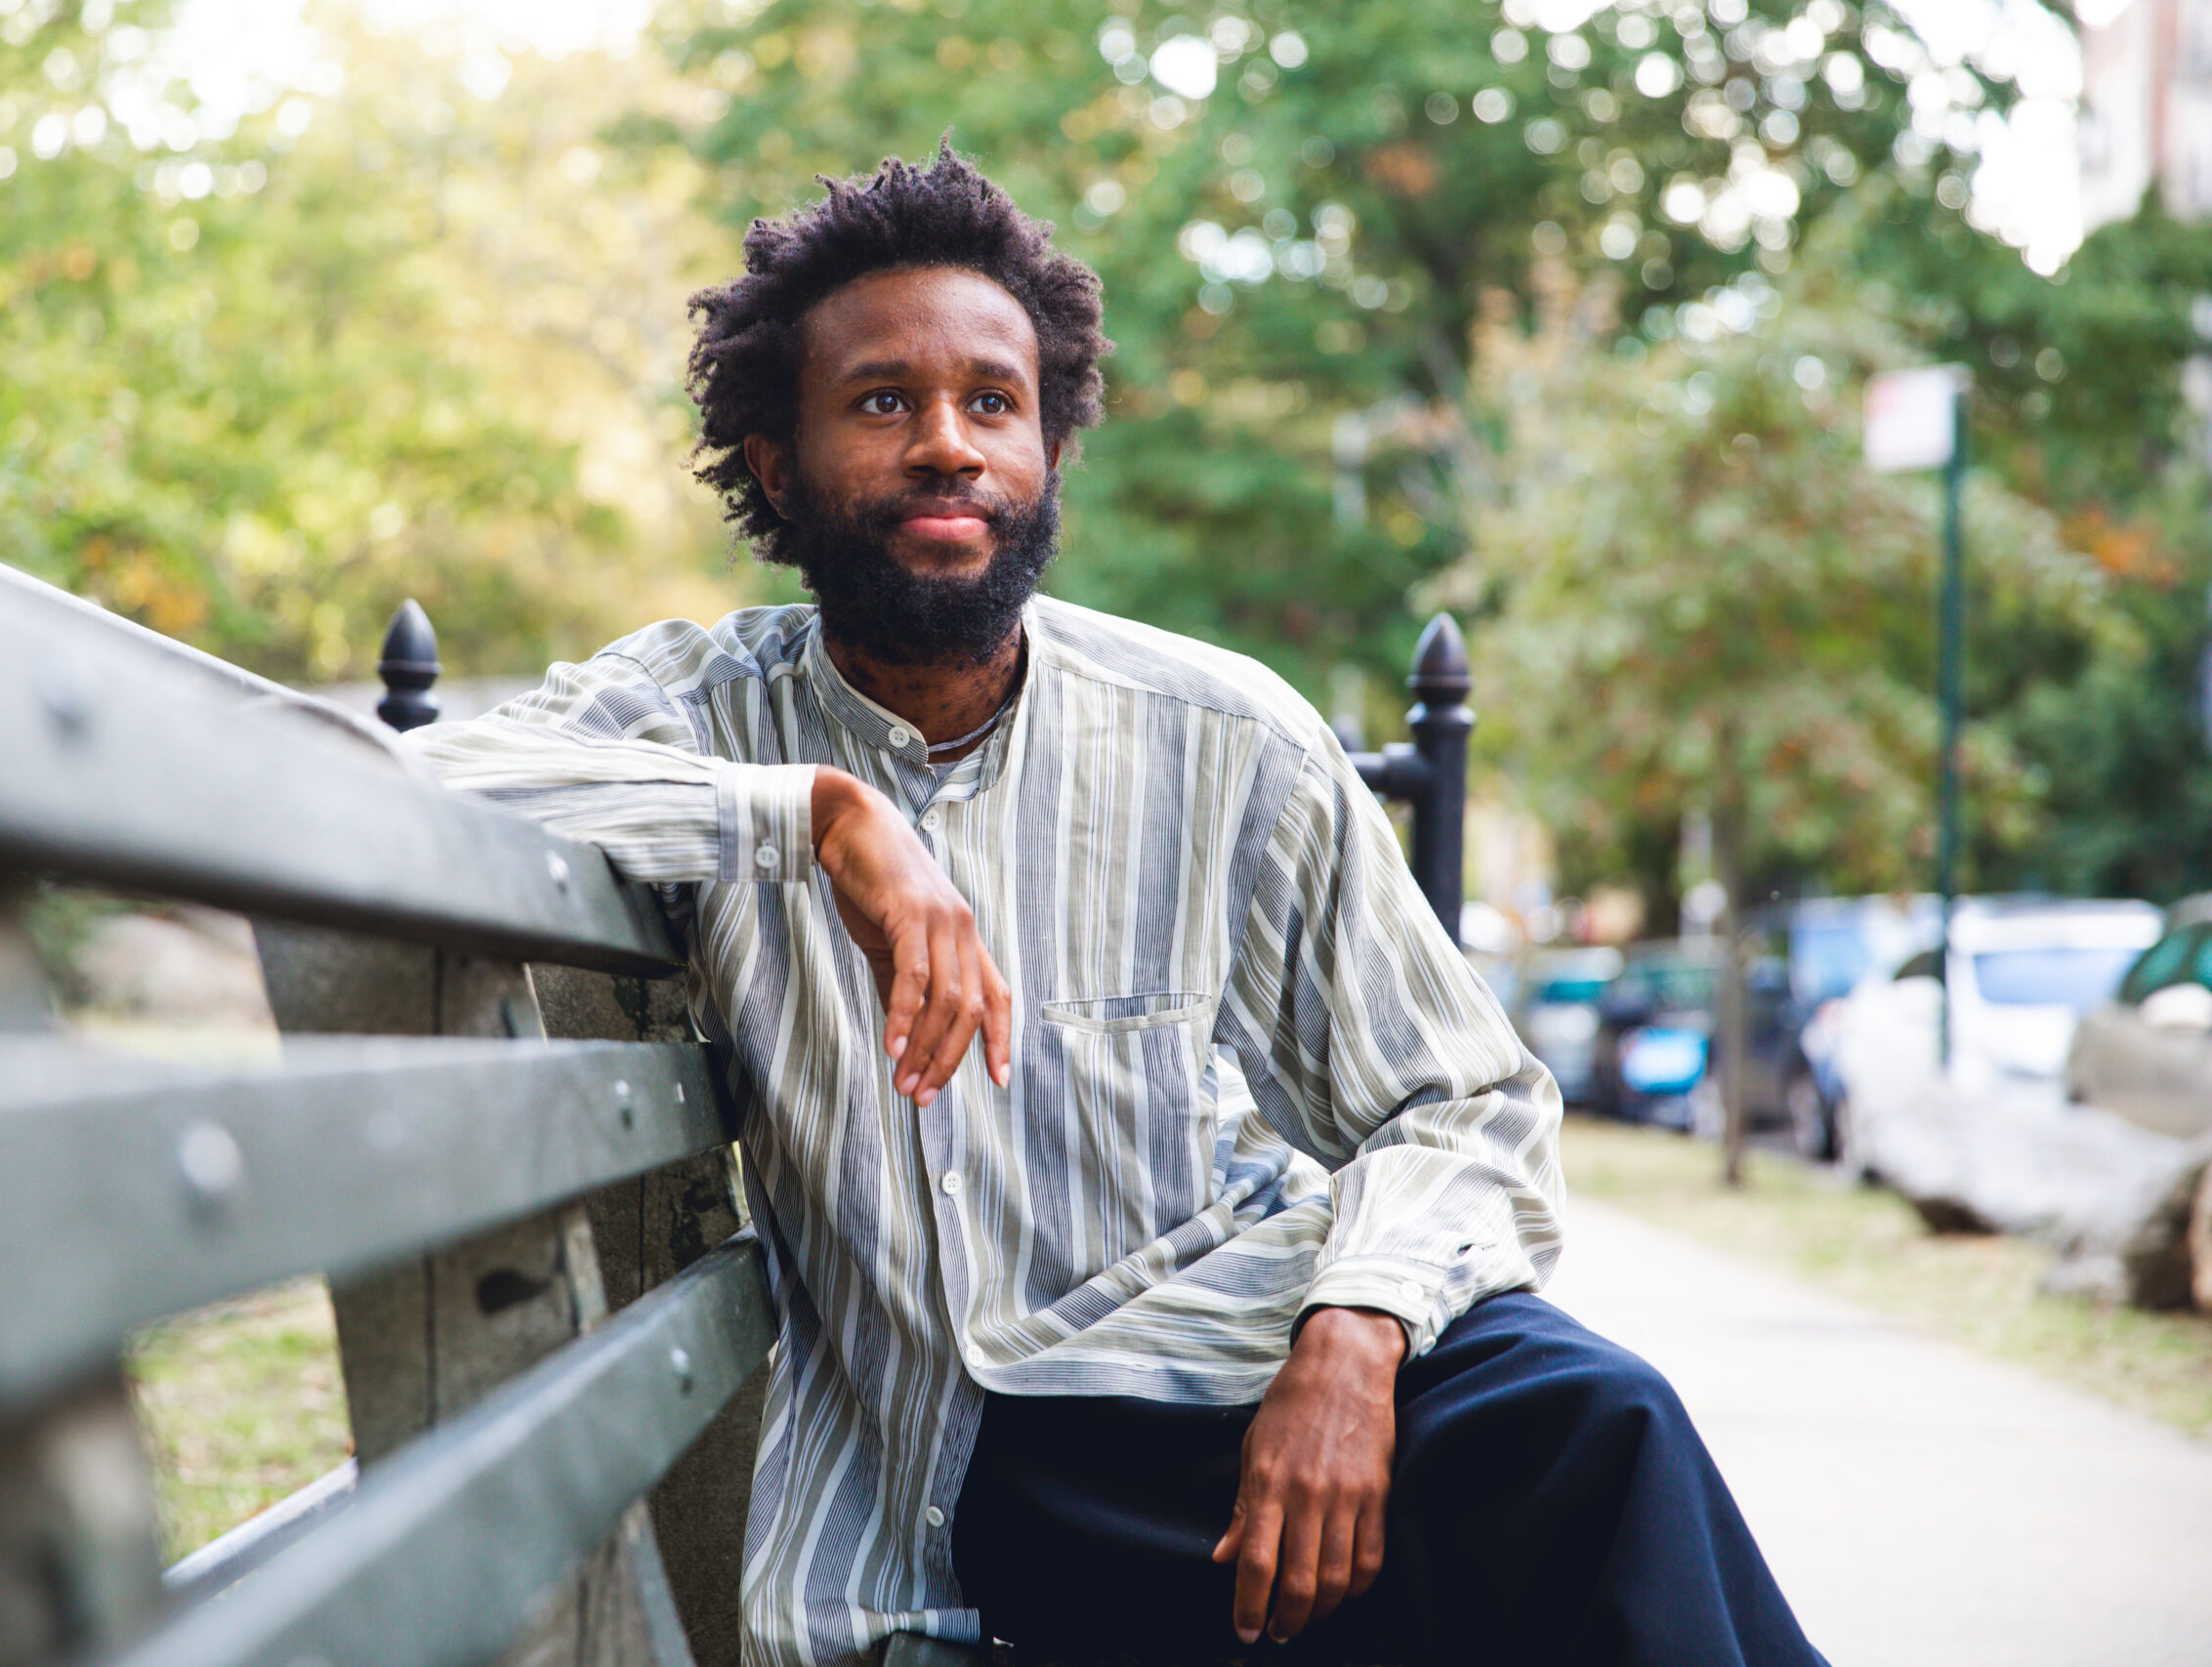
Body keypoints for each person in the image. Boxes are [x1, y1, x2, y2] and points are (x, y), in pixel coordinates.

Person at [407, 146, 1825, 1667]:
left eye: (992, 403)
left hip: (1264, 1350)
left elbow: (1464, 1100)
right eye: (884, 403)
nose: (948, 445)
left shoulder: (1224, 735)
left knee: (1599, 1429)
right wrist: (819, 820)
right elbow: (402, 788)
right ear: (776, 461)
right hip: (995, 1458)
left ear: (1050, 449)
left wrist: (1356, 1331)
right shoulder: (700, 712)